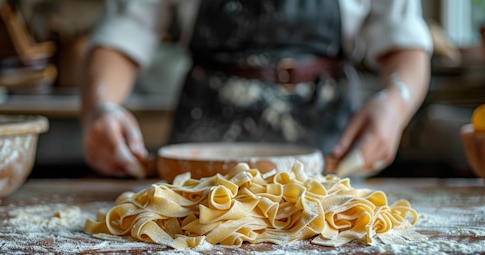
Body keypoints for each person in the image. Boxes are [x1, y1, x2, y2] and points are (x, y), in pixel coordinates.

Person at [79, 0, 432, 178]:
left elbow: (404, 41)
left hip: (331, 151)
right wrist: (101, 105)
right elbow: (124, 32)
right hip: (204, 161)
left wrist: (395, 103)